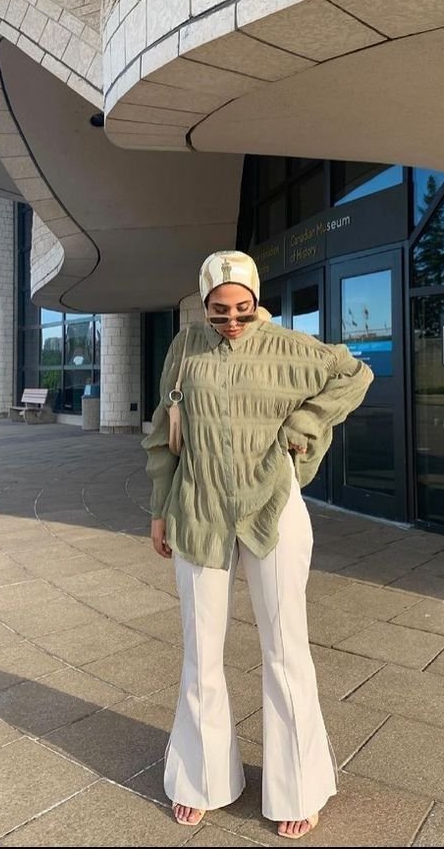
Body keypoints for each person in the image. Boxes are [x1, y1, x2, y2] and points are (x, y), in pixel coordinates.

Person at [142, 250, 374, 840]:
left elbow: (355, 375)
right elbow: (164, 432)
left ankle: (299, 786)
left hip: (273, 506)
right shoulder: (184, 348)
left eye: (242, 309)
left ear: (256, 299)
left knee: (286, 648)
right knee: (200, 652)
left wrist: (304, 425)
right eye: (219, 311)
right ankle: (200, 778)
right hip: (198, 509)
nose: (232, 321)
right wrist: (160, 510)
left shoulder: (289, 346)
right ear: (204, 304)